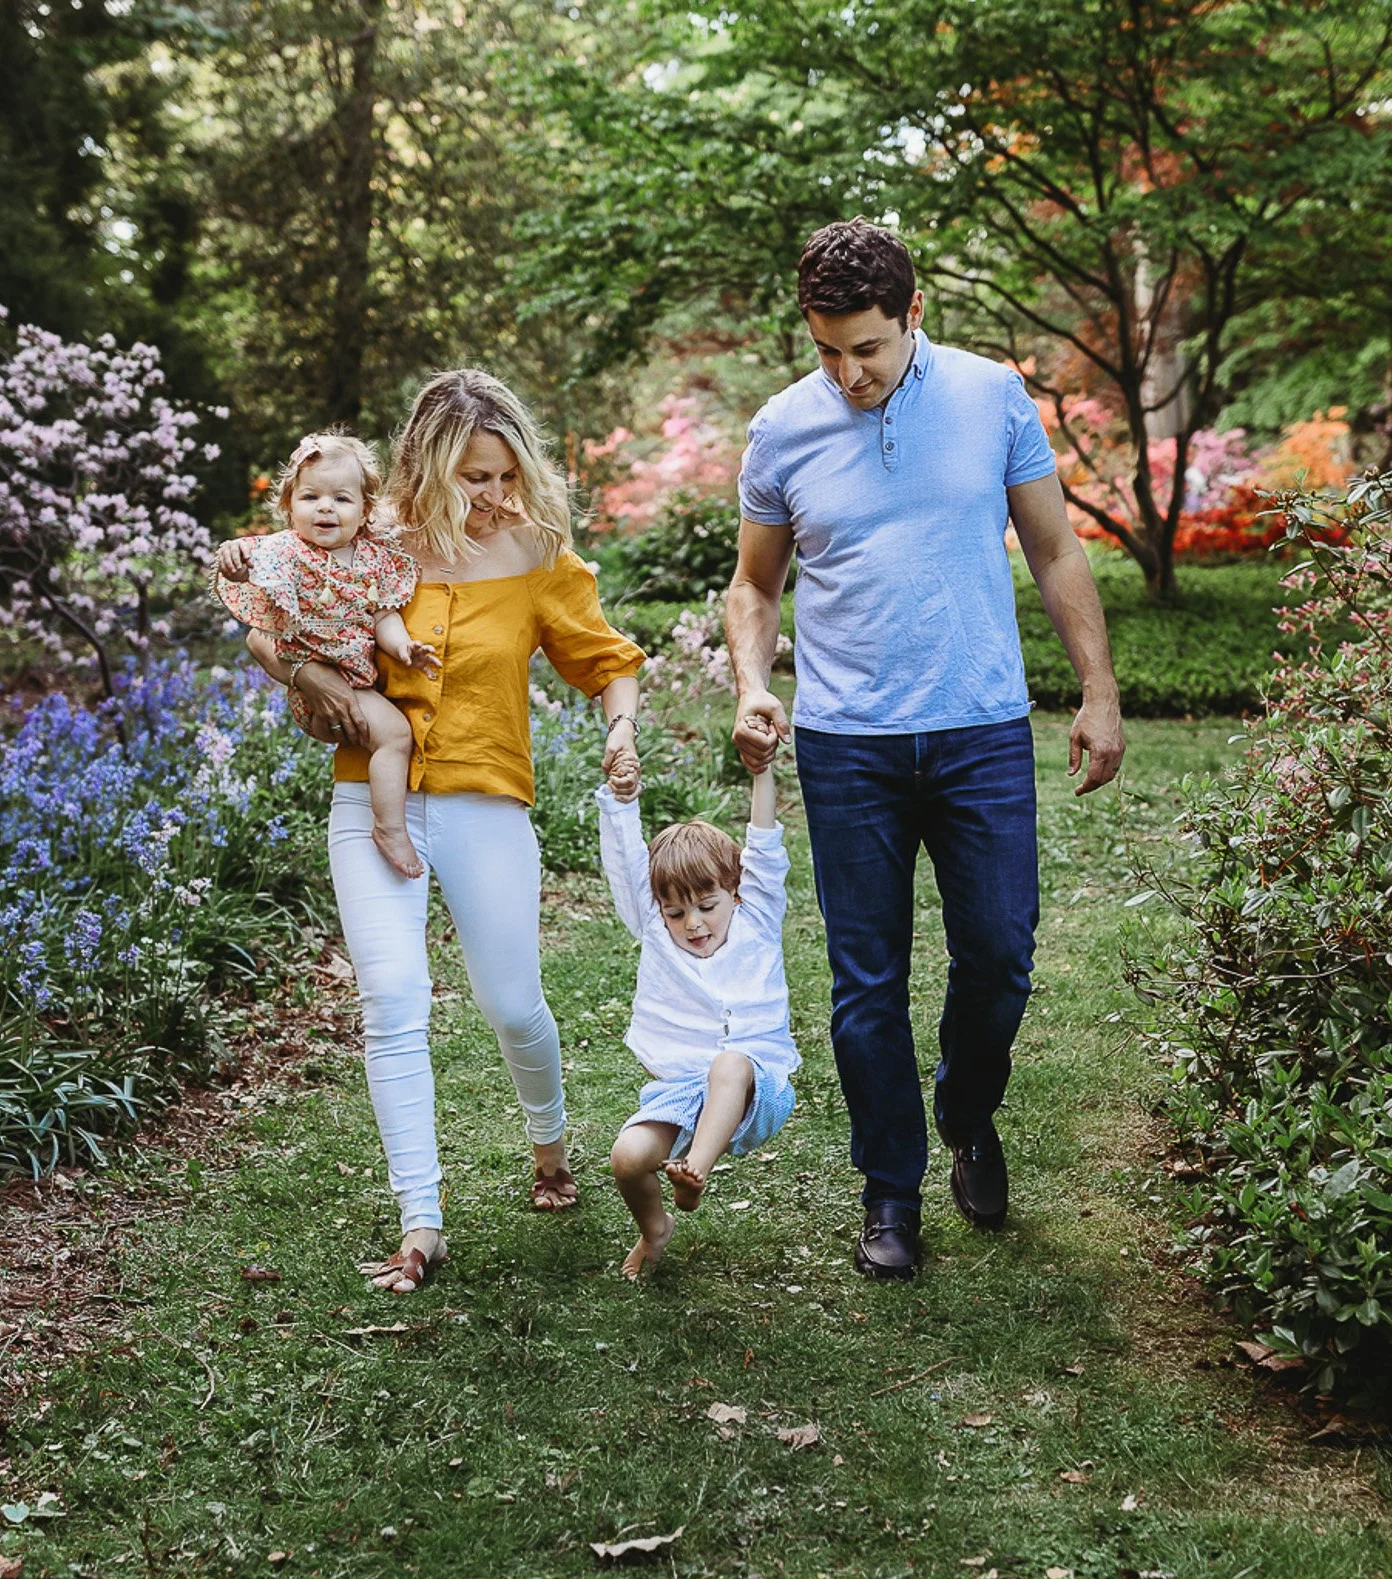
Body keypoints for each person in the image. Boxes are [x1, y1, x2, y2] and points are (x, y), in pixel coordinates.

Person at [725, 219, 1126, 1282]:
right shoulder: (781, 429)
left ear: (914, 317)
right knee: (866, 984)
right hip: (847, 743)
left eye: (867, 347)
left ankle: (965, 1105)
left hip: (979, 730)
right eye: (825, 350)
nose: (847, 373)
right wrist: (753, 682)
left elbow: (1050, 545)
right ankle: (889, 1192)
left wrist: (1097, 688)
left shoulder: (991, 396)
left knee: (1000, 953)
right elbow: (756, 584)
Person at [255, 370, 647, 1295]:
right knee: (391, 1002)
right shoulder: (361, 538)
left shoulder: (535, 552)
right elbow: (274, 618)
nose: (495, 495)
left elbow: (605, 658)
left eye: (506, 475)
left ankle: (551, 1150)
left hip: (485, 796)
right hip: (370, 795)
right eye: (474, 477)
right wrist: (303, 680)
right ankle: (420, 1222)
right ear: (426, 468)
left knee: (513, 1003)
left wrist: (621, 727)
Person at [596, 740, 798, 1278]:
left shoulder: (757, 918)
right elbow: (627, 862)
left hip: (759, 1084)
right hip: (682, 1089)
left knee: (729, 1064)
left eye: (707, 906)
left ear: (735, 892)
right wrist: (623, 798)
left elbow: (763, 844)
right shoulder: (657, 933)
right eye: (677, 912)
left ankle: (693, 1173)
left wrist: (762, 772)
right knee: (629, 1157)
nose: (693, 924)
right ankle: (655, 1225)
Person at [214, 431, 437, 879]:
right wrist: (234, 559)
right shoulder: (285, 554)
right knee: (396, 735)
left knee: (391, 733)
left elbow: (383, 617)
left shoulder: (376, 560)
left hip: (356, 682)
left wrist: (403, 648)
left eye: (341, 498)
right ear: (289, 506)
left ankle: (389, 817)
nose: (325, 507)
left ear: (365, 510)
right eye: (310, 496)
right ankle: (389, 827)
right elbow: (245, 574)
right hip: (314, 689)